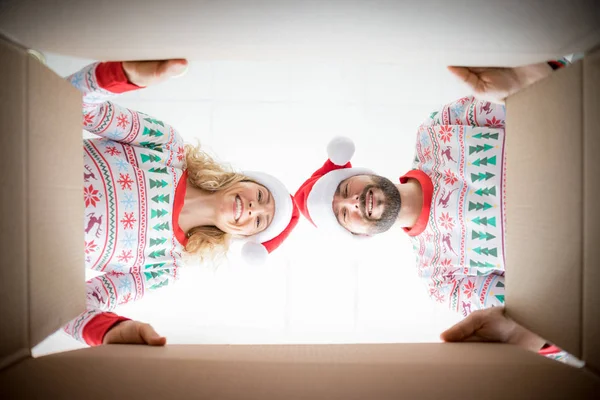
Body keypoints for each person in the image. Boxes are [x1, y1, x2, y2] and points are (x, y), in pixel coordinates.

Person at [294, 58, 568, 316]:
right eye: (343, 215)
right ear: (360, 235)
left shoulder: (438, 129)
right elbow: (535, 316)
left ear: (362, 173)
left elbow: (536, 99)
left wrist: (537, 83)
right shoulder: (440, 278)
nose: (352, 202)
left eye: (343, 190)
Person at [64, 59, 299, 346]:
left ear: (242, 236)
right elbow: (74, 106)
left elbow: (69, 307)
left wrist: (109, 331)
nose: (253, 208)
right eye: (261, 196)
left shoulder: (164, 268)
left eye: (260, 220)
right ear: (243, 179)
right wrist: (123, 74)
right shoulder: (166, 144)